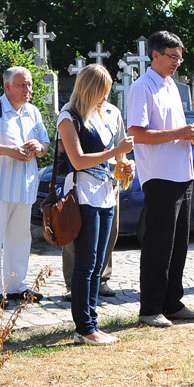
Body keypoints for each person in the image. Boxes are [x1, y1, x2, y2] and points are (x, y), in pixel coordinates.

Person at [127, 30, 194, 327]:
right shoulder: (142, 87)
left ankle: (172, 303)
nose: (176, 62)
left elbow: (174, 129)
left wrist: (189, 132)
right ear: (155, 55)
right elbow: (138, 133)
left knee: (179, 245)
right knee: (158, 244)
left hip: (182, 173)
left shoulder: (172, 85)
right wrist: (180, 133)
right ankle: (150, 308)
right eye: (172, 57)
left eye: (180, 58)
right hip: (159, 175)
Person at [57, 65, 135, 346]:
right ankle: (84, 327)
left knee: (97, 263)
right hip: (84, 195)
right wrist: (116, 152)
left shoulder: (101, 115)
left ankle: (92, 323)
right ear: (89, 90)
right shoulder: (69, 117)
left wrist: (122, 165)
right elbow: (78, 160)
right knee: (85, 263)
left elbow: (106, 160)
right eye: (102, 92)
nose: (106, 98)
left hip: (104, 193)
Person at [0, 66, 50, 308]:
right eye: (22, 85)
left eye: (30, 85)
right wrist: (9, 151)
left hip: (24, 185)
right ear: (7, 87)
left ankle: (17, 287)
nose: (28, 90)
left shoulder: (33, 112)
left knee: (20, 238)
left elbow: (46, 145)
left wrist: (39, 147)